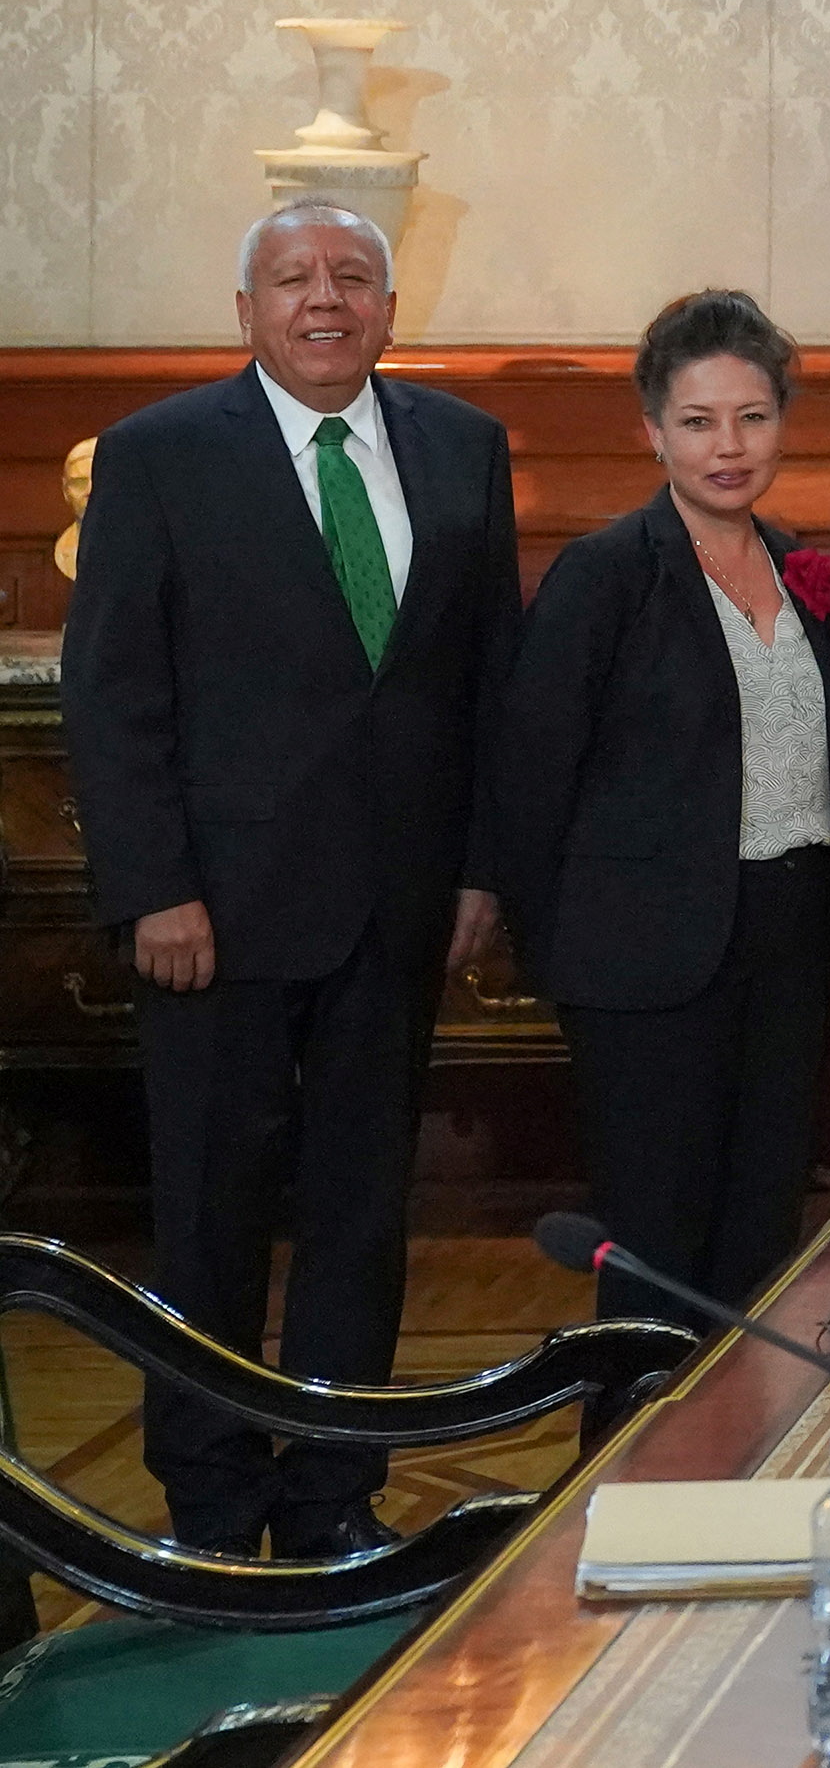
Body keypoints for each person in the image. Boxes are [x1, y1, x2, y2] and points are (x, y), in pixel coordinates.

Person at [58, 199, 520, 1558]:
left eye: (354, 276)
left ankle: (335, 1491)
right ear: (248, 307)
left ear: (390, 302)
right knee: (209, 1214)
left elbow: (488, 680)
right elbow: (116, 693)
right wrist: (154, 885)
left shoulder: (464, 446)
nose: (326, 298)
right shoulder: (156, 455)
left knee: (362, 1215)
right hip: (216, 914)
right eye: (294, 277)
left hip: (400, 907)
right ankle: (209, 1498)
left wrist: (481, 870)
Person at [495, 291, 830, 1323]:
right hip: (645, 965)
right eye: (698, 422)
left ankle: (737, 1471)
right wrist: (560, 962)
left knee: (760, 1241)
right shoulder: (605, 577)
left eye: (752, 417)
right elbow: (532, 786)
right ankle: (626, 1467)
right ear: (653, 431)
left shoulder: (800, 568)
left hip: (790, 946)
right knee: (657, 1247)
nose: (728, 446)